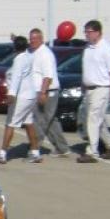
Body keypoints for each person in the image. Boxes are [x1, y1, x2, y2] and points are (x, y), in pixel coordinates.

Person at [0, 35, 43, 164]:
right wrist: (16, 39)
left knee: (10, 124)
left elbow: (17, 77)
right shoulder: (28, 56)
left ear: (14, 48)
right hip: (30, 95)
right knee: (28, 123)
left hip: (21, 96)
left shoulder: (18, 60)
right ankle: (35, 153)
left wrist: (11, 95)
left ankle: (2, 154)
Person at [77, 20, 110, 163]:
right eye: (85, 32)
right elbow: (87, 68)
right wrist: (84, 83)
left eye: (89, 32)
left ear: (97, 32)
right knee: (97, 121)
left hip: (102, 88)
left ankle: (92, 152)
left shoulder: (107, 49)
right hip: (89, 89)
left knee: (92, 119)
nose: (86, 35)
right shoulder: (88, 48)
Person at [28, 28, 71, 157]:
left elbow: (48, 76)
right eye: (31, 39)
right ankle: (62, 148)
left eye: (35, 39)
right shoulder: (34, 52)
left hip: (47, 91)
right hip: (38, 90)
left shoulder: (45, 54)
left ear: (41, 39)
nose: (32, 41)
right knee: (50, 121)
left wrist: (43, 92)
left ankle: (35, 149)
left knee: (40, 121)